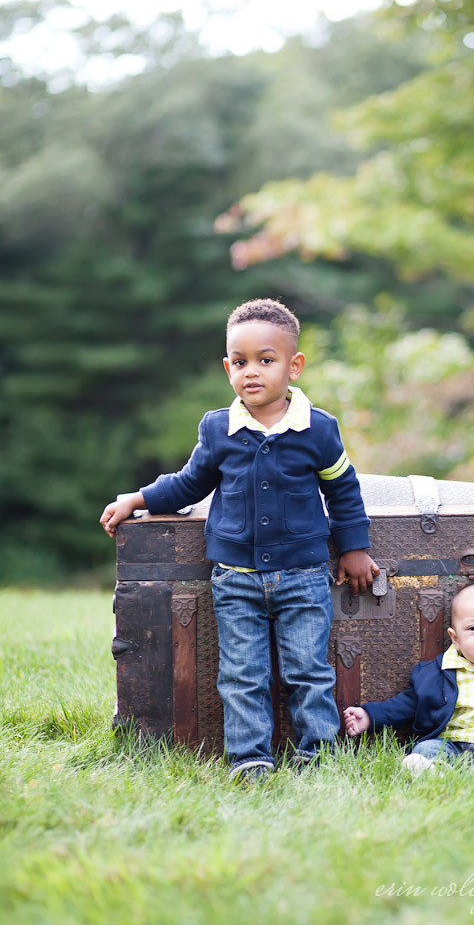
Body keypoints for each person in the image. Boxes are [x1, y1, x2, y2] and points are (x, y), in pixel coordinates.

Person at [101, 297, 379, 782]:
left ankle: (320, 759)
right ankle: (250, 760)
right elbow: (189, 484)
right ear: (228, 367)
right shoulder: (218, 428)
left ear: (294, 367)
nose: (252, 372)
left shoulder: (318, 429)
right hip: (235, 580)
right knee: (242, 676)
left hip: (304, 577)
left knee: (309, 672)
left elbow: (343, 490)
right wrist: (138, 497)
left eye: (266, 361)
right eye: (241, 362)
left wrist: (354, 548)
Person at [343, 581, 474, 774]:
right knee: (424, 749)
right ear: (455, 639)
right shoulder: (437, 672)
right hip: (450, 744)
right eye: (473, 628)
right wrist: (371, 716)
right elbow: (407, 705)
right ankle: (435, 771)